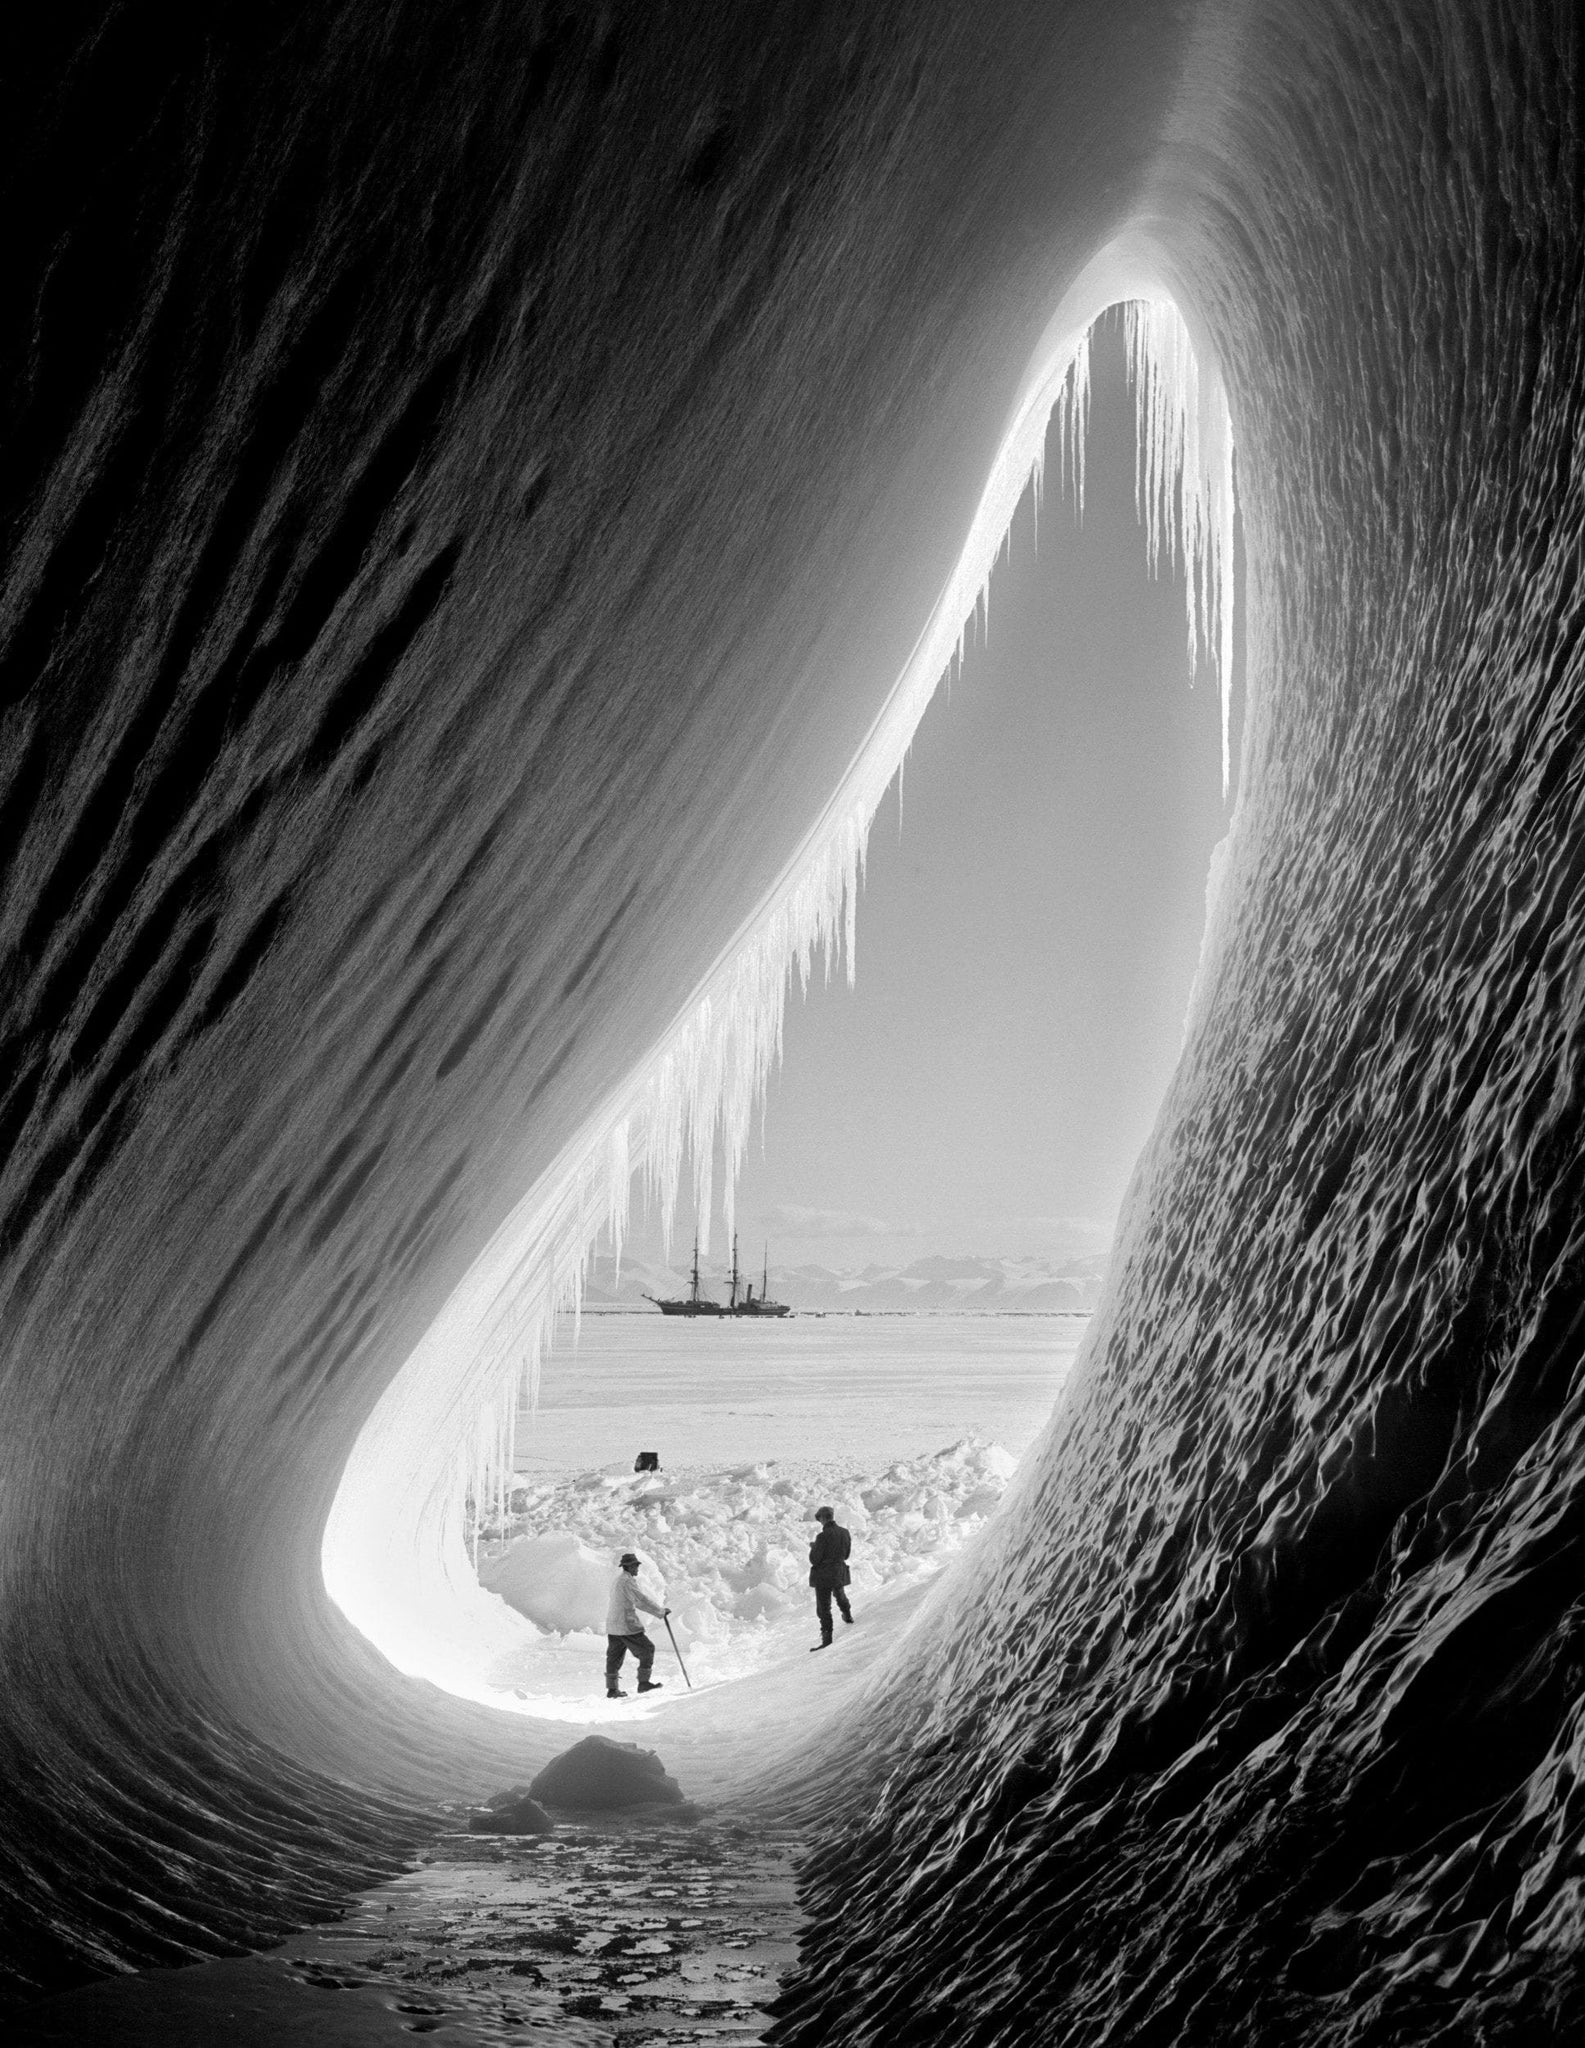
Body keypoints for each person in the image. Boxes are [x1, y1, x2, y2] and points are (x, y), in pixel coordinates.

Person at [605, 1551, 669, 1698]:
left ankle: (612, 1689)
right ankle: (643, 1683)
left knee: (614, 1657)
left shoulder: (618, 1580)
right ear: (628, 1567)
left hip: (613, 1625)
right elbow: (640, 1600)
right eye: (635, 1566)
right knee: (647, 1649)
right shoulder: (627, 1582)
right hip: (626, 1624)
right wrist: (660, 1611)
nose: (637, 1568)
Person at [808, 1505, 853, 1651]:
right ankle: (847, 1615)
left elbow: (814, 1559)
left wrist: (815, 1547)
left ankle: (827, 1638)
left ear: (822, 1518)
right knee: (839, 1594)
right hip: (839, 1571)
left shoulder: (822, 1536)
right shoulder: (845, 1532)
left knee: (824, 1607)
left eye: (819, 1519)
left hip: (824, 1575)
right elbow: (846, 1555)